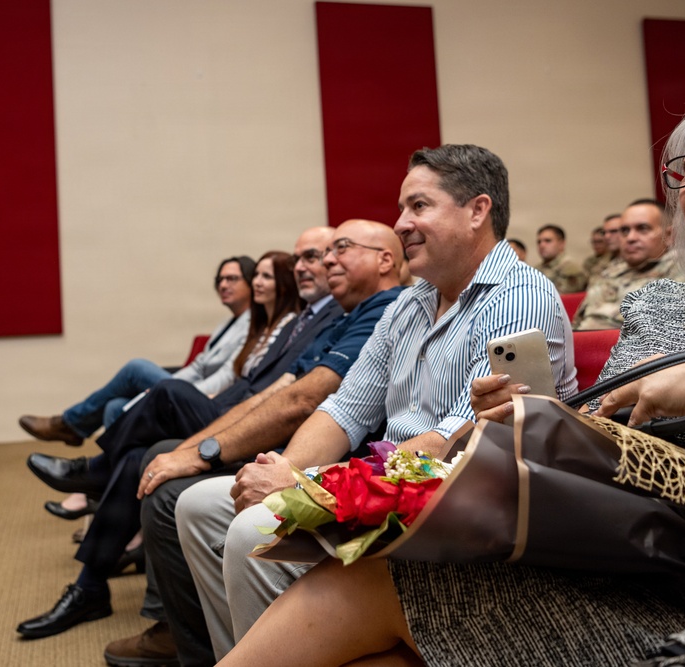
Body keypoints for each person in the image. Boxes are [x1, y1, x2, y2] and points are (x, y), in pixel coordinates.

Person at [214, 73, 685, 667]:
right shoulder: (661, 307)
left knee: (372, 585)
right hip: (632, 559)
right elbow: (615, 445)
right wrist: (537, 420)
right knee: (368, 596)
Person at [173, 144, 577, 663]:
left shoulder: (522, 295)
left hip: (456, 503)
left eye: (419, 206)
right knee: (200, 506)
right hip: (390, 483)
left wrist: (303, 488)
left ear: (478, 210)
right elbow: (346, 407)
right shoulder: (411, 301)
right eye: (403, 207)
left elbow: (462, 440)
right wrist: (285, 470)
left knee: (258, 525)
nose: (401, 222)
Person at [101, 219, 405, 667]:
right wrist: (196, 451)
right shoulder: (338, 317)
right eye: (309, 256)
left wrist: (210, 453)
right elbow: (280, 394)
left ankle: (190, 641)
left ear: (385, 259)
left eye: (337, 249)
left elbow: (303, 402)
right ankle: (216, 649)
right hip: (303, 450)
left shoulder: (388, 307)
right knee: (174, 478)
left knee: (176, 482)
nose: (324, 262)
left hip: (358, 467)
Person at [16, 245, 312, 640]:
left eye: (264, 276)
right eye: (250, 275)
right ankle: (89, 586)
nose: (255, 283)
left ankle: (92, 469)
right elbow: (232, 376)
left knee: (164, 392)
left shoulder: (301, 321)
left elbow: (281, 394)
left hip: (244, 424)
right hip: (227, 410)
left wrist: (204, 406)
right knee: (139, 451)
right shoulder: (266, 324)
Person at [18, 256, 256, 449]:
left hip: (206, 399)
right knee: (114, 406)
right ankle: (111, 479)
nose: (223, 285)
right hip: (188, 390)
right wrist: (170, 386)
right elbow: (197, 366)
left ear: (250, 282)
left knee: (136, 368)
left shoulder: (253, 324)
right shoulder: (226, 324)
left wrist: (174, 390)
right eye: (220, 279)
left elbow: (227, 377)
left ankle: (70, 424)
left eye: (232, 279)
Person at [572, 198, 685, 330]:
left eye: (643, 229)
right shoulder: (611, 271)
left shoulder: (683, 268)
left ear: (669, 235)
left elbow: (661, 329)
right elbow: (578, 322)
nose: (630, 238)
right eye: (625, 231)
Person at [535, 224, 588, 293]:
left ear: (561, 244)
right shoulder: (536, 269)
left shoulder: (570, 268)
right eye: (539, 242)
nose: (542, 245)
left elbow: (561, 297)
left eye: (548, 241)